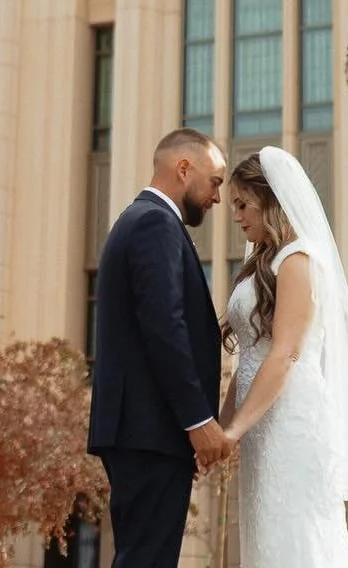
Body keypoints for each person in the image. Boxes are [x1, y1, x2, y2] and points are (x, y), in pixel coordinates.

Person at [87, 128, 231, 568]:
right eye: (215, 182)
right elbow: (164, 325)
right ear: (184, 168)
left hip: (143, 430)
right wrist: (197, 420)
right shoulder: (155, 223)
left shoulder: (141, 220)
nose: (217, 197)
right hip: (149, 431)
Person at [219, 147, 348, 567]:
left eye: (243, 204)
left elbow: (285, 354)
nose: (236, 216)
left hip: (291, 422)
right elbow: (251, 357)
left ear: (270, 200)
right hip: (261, 426)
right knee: (267, 536)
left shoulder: (298, 260)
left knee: (296, 536)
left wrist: (234, 431)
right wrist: (222, 428)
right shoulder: (263, 264)